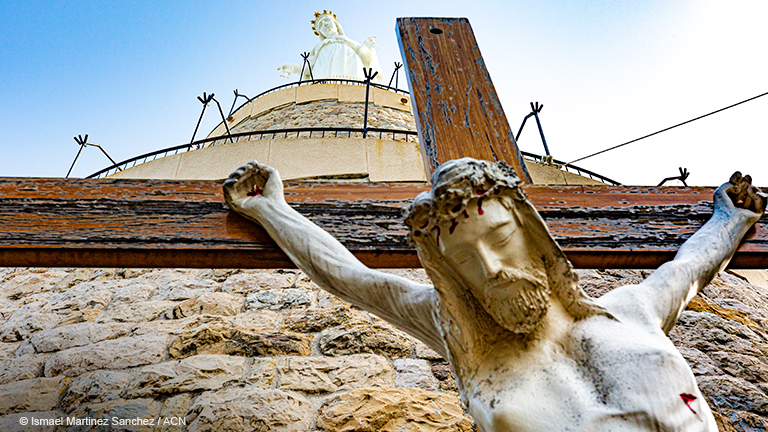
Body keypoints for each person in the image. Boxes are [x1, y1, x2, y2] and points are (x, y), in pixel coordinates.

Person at [223, 157, 766, 432]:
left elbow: (691, 266)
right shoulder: (462, 339)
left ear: (530, 232)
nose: (490, 269)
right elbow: (349, 276)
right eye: (464, 259)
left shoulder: (631, 309)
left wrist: (732, 218)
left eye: (500, 239)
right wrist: (272, 209)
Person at [278, 10, 384, 83]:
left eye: (327, 21)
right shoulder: (320, 47)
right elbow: (308, 66)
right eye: (321, 25)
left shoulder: (348, 42)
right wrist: (292, 67)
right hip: (324, 77)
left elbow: (364, 57)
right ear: (321, 33)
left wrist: (366, 47)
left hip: (352, 74)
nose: (325, 24)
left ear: (336, 24)